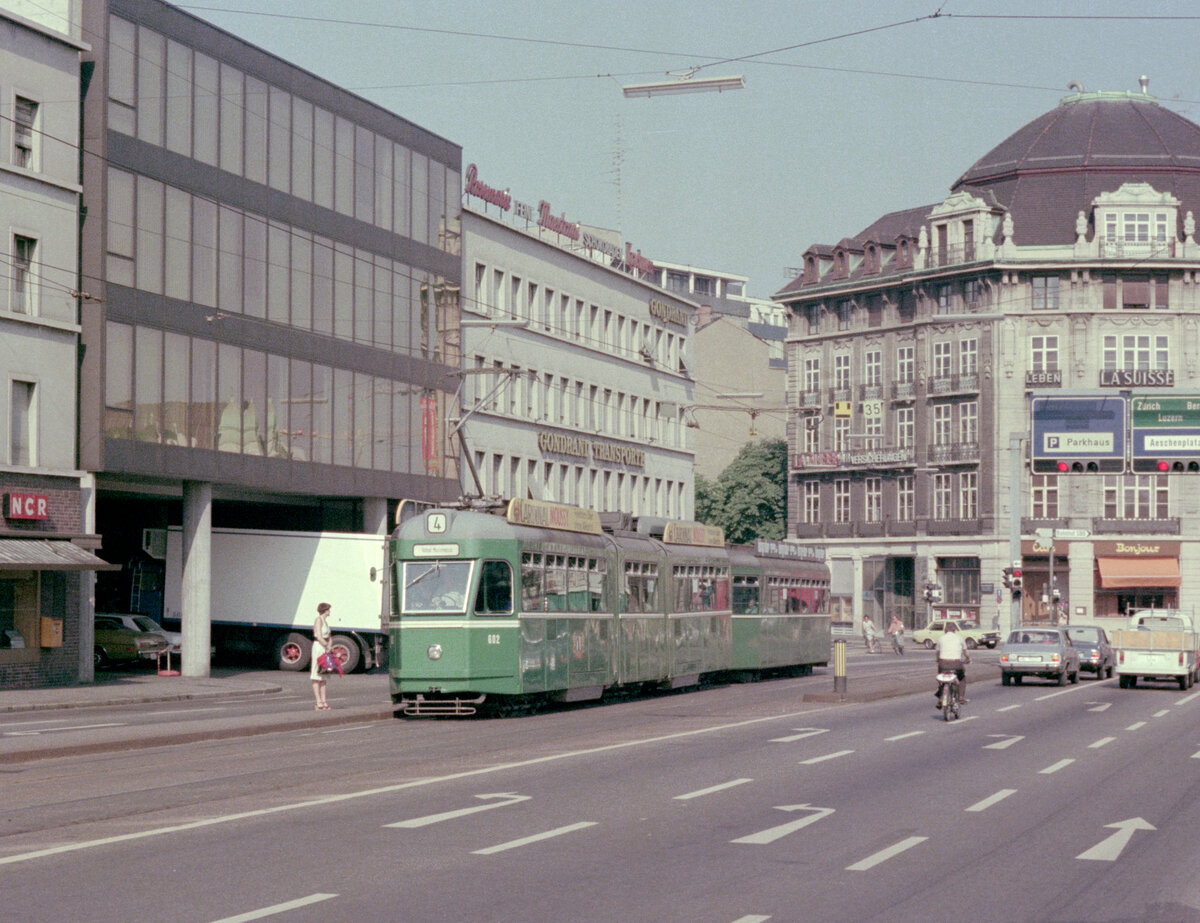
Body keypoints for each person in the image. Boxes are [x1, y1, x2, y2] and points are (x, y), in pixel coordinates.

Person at [935, 621, 970, 704]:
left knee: (941, 677)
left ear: (945, 630)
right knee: (962, 677)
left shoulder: (941, 638)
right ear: (955, 630)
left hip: (943, 664)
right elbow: (965, 652)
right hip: (956, 664)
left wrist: (938, 660)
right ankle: (961, 697)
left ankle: (940, 696)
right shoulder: (959, 638)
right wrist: (968, 658)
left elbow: (937, 652)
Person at [311, 601, 332, 710]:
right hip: (318, 647)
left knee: (324, 675)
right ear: (324, 610)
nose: (329, 611)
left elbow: (329, 636)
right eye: (328, 609)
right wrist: (327, 646)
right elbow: (319, 636)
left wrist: (329, 646)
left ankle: (324, 701)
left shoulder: (326, 621)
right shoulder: (318, 620)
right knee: (316, 674)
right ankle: (318, 701)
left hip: (325, 648)